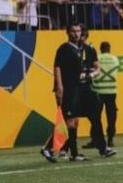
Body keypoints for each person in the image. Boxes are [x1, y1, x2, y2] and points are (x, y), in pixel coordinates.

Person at [43, 23, 115, 162]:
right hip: (71, 88)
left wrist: (92, 74)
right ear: (68, 33)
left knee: (93, 116)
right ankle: (55, 149)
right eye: (74, 31)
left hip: (85, 88)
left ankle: (100, 147)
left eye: (79, 32)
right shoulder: (64, 49)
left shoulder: (87, 49)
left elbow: (96, 67)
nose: (77, 34)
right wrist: (59, 86)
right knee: (69, 121)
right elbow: (57, 67)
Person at [91, 40, 119, 147]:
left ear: (100, 49)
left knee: (96, 116)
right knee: (111, 116)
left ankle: (96, 139)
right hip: (112, 91)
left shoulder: (97, 58)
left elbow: (94, 71)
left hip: (98, 90)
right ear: (109, 49)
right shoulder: (115, 59)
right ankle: (110, 138)